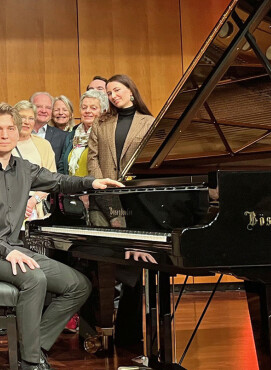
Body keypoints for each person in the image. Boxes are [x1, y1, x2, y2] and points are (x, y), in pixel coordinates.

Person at [0, 102, 123, 370]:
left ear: (18, 131)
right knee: (34, 279)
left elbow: (59, 180)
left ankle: (33, 344)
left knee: (78, 285)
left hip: (12, 248)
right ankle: (30, 362)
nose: (5, 134)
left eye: (10, 128)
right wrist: (5, 251)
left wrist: (91, 182)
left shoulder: (24, 168)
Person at [87, 74, 156, 353]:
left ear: (131, 91)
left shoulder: (149, 123)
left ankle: (130, 335)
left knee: (134, 272)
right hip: (104, 204)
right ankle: (97, 335)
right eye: (110, 92)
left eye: (118, 90)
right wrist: (109, 202)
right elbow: (93, 160)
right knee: (102, 270)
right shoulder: (101, 122)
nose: (114, 95)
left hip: (138, 205)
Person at [12, 100, 56, 225]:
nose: (26, 122)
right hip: (10, 208)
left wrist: (32, 201)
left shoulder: (44, 145)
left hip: (37, 209)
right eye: (22, 117)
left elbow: (51, 179)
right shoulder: (5, 143)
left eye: (31, 118)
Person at [59, 90, 109, 177]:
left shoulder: (107, 134)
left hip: (97, 187)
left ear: (103, 111)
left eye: (93, 108)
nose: (87, 111)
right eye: (84, 107)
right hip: (71, 188)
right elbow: (62, 166)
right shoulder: (72, 134)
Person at [30, 92, 68, 170]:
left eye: (48, 107)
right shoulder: (18, 134)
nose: (44, 111)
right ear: (30, 108)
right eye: (39, 106)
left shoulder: (63, 137)